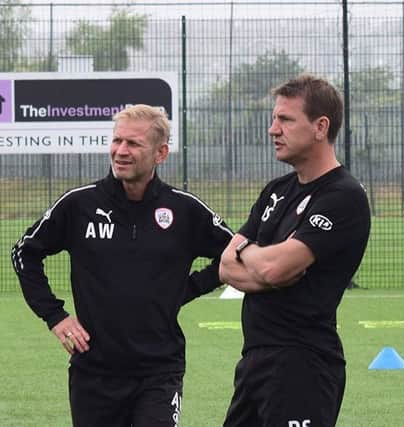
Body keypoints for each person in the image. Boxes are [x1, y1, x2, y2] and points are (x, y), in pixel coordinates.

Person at [11, 104, 233, 427]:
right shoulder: (79, 205)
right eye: (117, 141)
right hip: (94, 374)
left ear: (161, 153)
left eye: (133, 144)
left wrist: (187, 289)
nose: (121, 151)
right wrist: (54, 315)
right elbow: (24, 252)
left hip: (160, 371)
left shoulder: (184, 210)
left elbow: (237, 252)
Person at [219, 74, 371, 427]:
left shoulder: (343, 196)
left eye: (285, 119)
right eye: (274, 119)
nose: (273, 129)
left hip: (303, 365)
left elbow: (274, 269)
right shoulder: (277, 190)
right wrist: (263, 261)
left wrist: (252, 256)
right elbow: (226, 265)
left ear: (320, 127)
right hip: (255, 362)